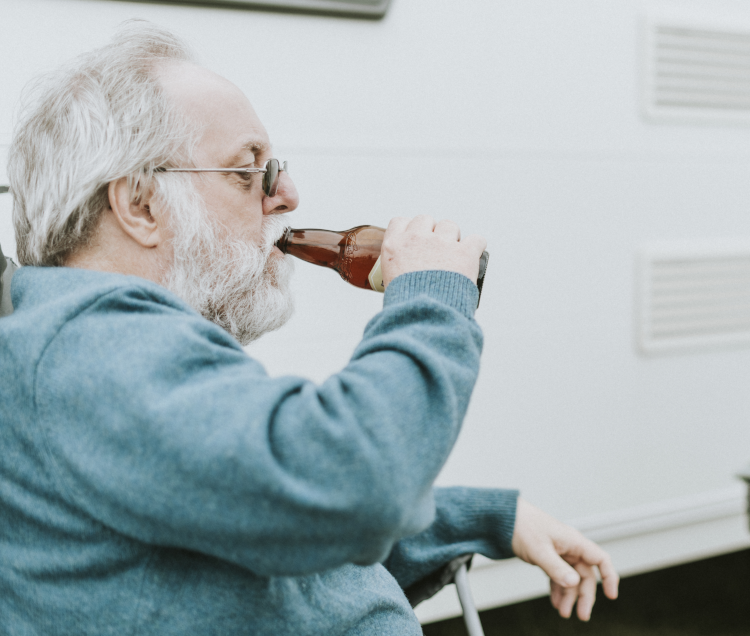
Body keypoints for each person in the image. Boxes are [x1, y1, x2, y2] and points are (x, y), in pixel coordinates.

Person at [0, 21, 618, 635]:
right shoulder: (91, 347)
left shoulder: (96, 351)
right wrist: (430, 296)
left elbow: (275, 532)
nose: (289, 195)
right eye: (250, 171)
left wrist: (484, 519)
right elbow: (355, 485)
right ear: (139, 206)